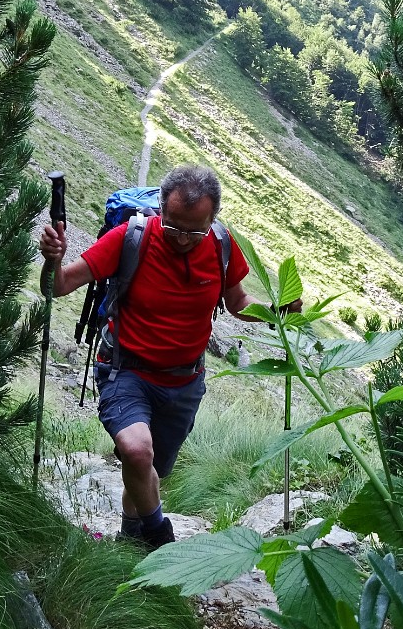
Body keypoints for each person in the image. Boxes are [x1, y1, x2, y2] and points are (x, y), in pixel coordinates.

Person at [39, 164, 295, 549]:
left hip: (184, 383)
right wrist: (52, 258)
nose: (183, 239)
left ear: (213, 218)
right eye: (173, 226)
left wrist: (278, 312)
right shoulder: (130, 239)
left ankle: (129, 537)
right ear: (161, 208)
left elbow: (238, 301)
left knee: (148, 471)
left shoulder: (221, 245)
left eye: (195, 231)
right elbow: (57, 286)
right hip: (126, 370)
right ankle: (161, 540)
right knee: (137, 451)